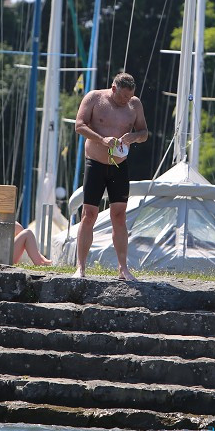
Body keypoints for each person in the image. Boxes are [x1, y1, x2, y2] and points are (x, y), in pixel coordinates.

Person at [72, 71, 148, 281]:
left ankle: (123, 268)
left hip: (119, 165)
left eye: (130, 96)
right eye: (123, 96)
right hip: (95, 162)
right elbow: (79, 126)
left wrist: (134, 136)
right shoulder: (95, 98)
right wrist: (102, 140)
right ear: (113, 89)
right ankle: (81, 267)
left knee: (119, 215)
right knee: (89, 214)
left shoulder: (135, 104)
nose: (126, 100)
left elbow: (144, 133)